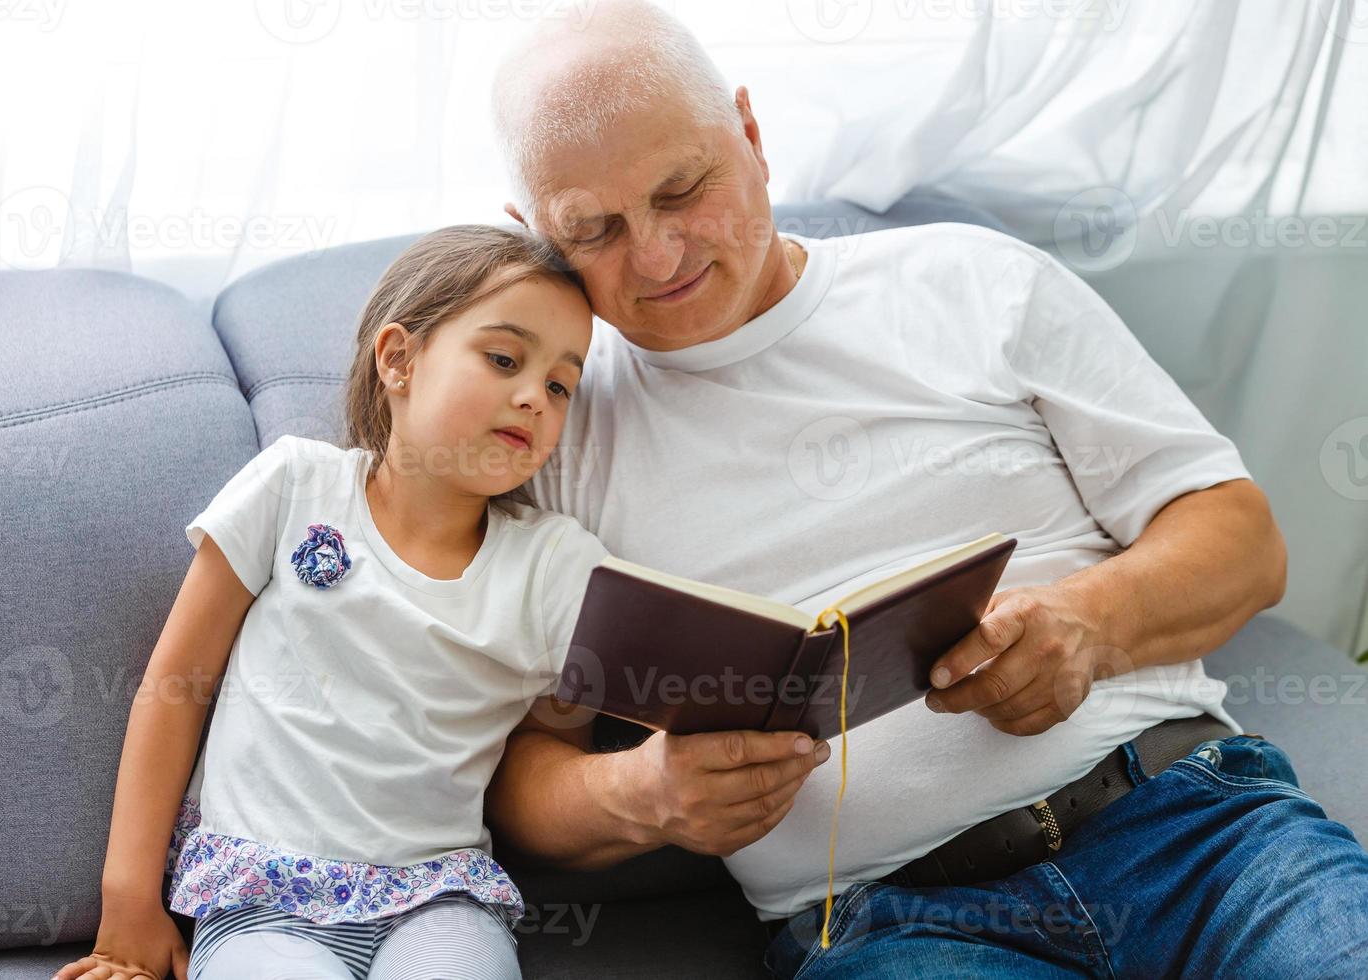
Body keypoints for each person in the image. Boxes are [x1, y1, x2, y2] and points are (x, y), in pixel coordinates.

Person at [484, 2, 1368, 976]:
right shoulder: (556, 436)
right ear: (537, 234)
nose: (656, 255)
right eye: (595, 229)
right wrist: (641, 792)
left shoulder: (968, 280)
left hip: (1194, 830)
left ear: (750, 133)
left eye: (683, 188)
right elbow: (520, 772)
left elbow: (1244, 541)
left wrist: (1089, 621)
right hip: (895, 926)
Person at [52, 225, 611, 980]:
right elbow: (175, 686)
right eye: (505, 359)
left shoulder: (554, 563)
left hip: (439, 899)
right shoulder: (293, 486)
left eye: (559, 386)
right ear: (399, 359)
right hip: (262, 898)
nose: (531, 397)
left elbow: (652, 675)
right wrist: (128, 904)